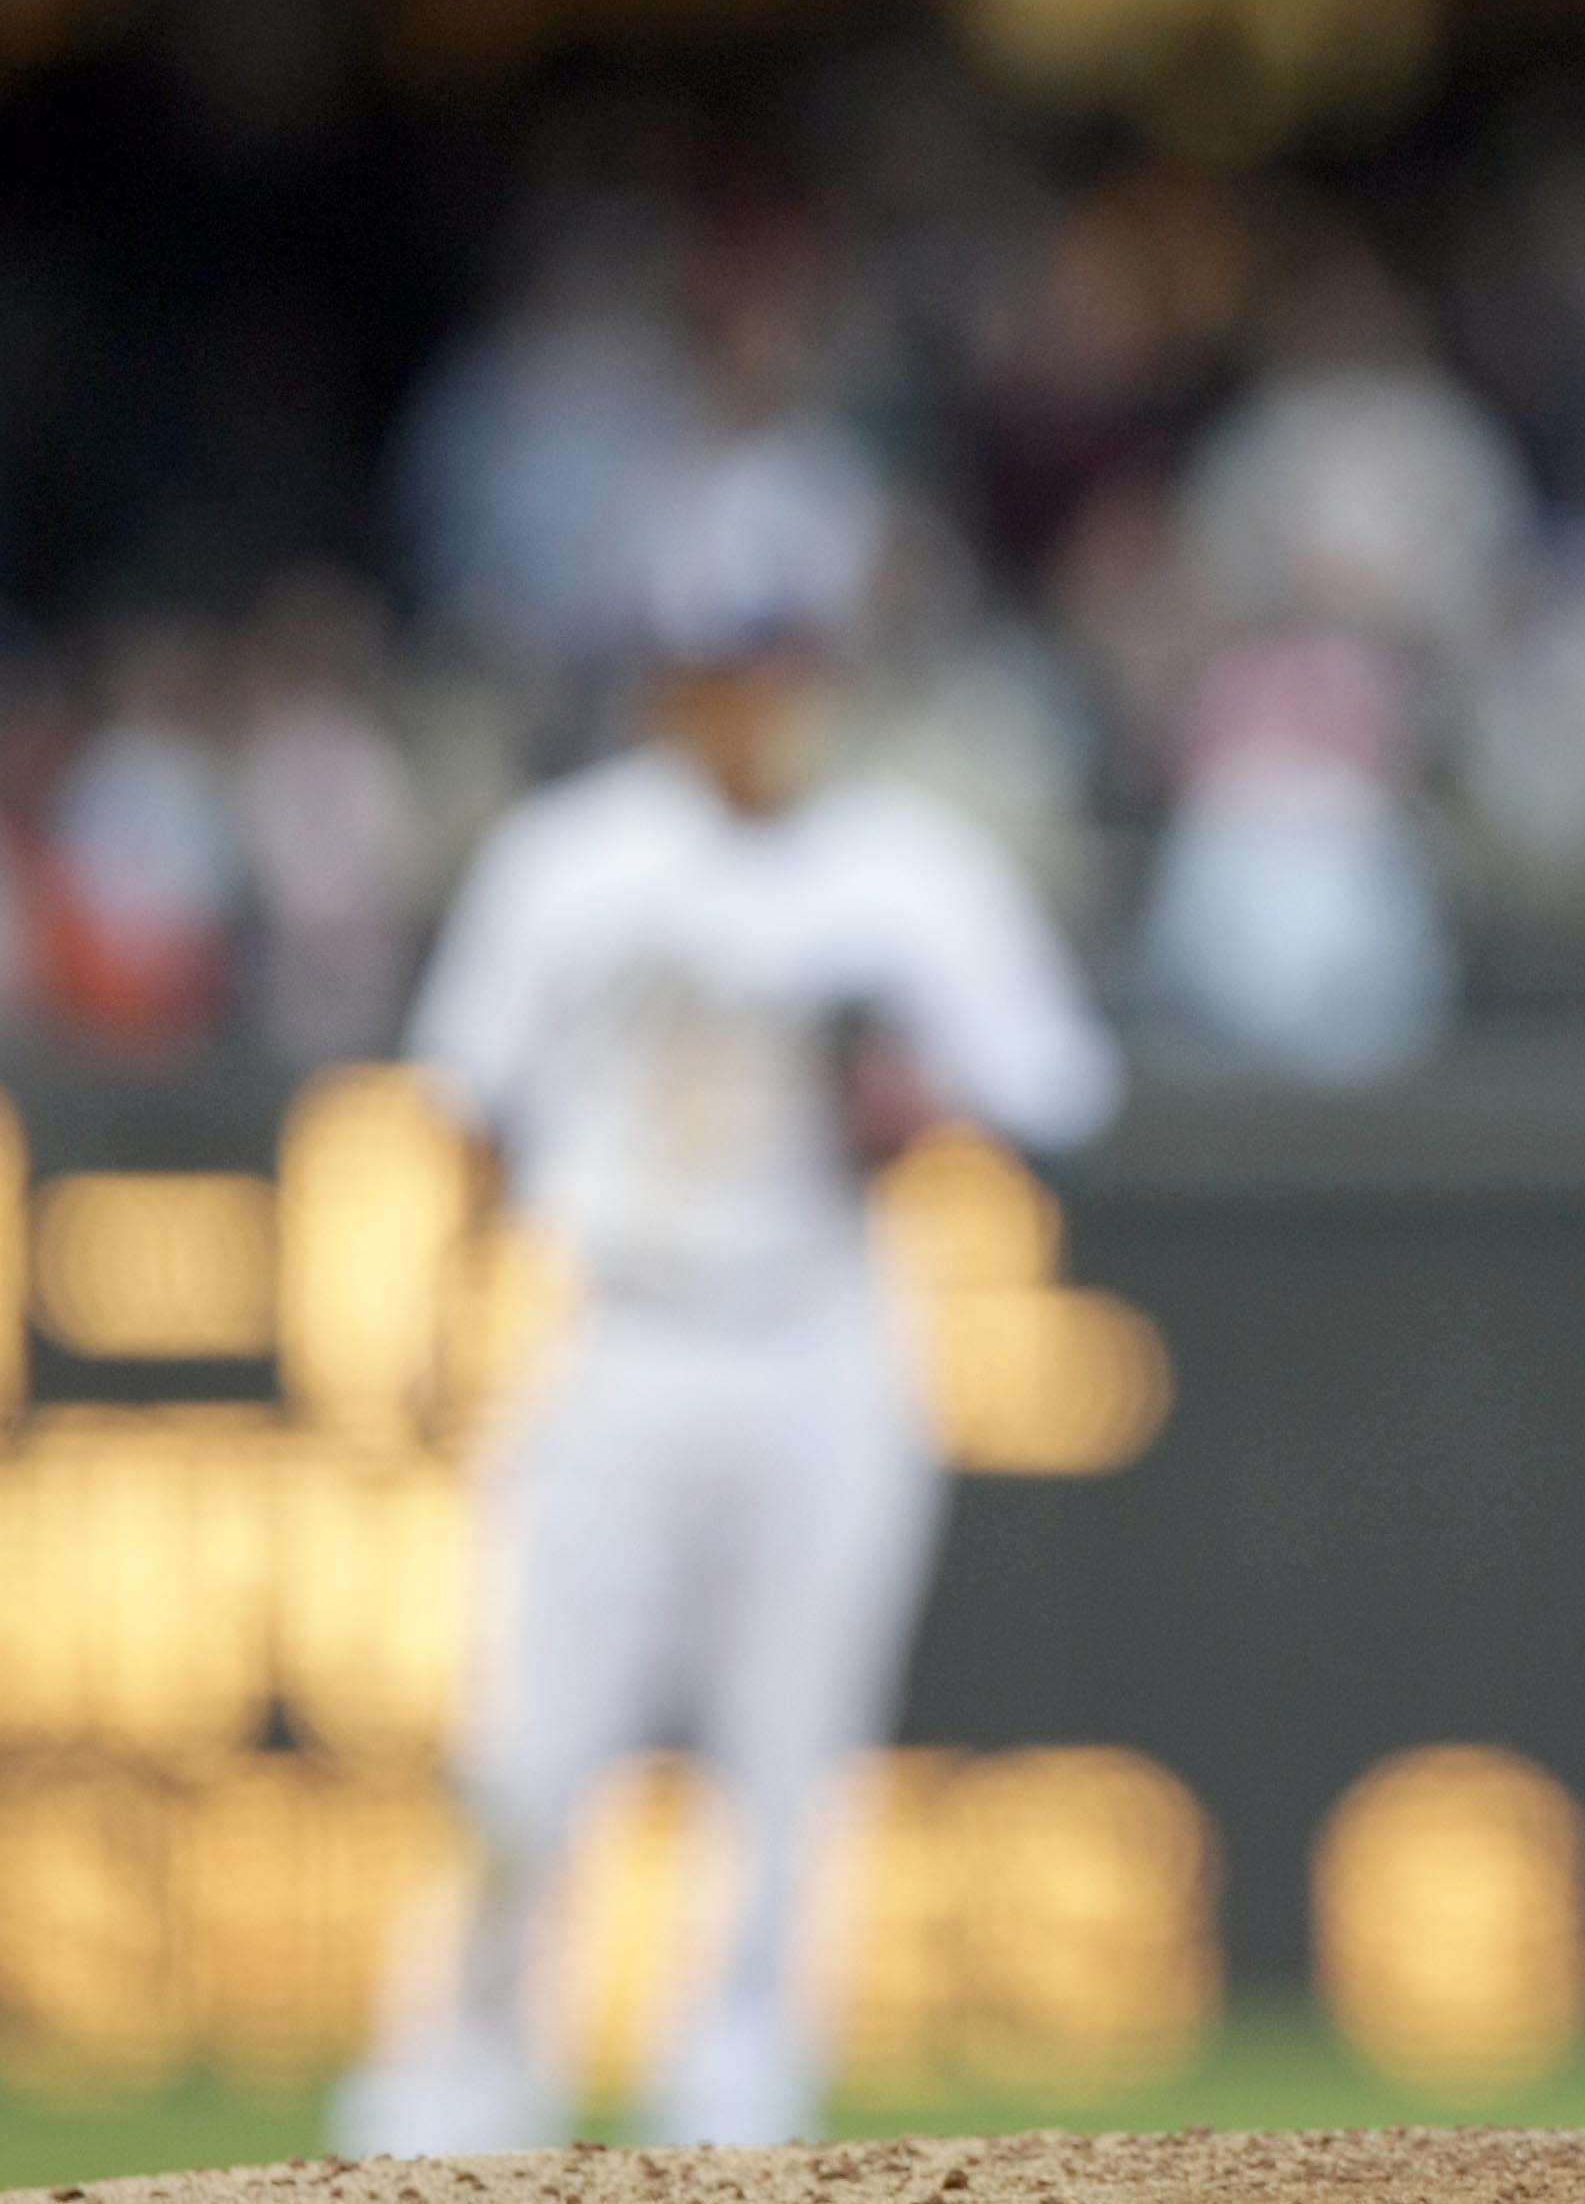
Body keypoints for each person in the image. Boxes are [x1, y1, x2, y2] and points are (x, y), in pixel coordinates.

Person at [333, 473, 1123, 2156]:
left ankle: (741, 2101)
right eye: (724, 662)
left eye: (781, 659)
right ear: (663, 677)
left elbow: (1058, 1080)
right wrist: (428, 1316)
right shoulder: (572, 860)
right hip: (617, 1331)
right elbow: (466, 1107)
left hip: (823, 1328)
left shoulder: (902, 870)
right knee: (533, 1749)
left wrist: (932, 1092)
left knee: (792, 1755)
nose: (758, 694)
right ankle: (454, 2095)